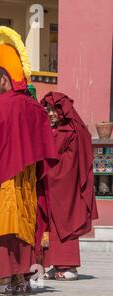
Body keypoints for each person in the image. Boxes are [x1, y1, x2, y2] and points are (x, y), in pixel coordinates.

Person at [0, 26, 58, 295]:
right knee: (22, 226)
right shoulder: (34, 107)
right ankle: (19, 278)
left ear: (4, 77)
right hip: (24, 186)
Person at [39, 92, 98, 280]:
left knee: (66, 222)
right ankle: (57, 265)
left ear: (61, 110)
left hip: (65, 186)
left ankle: (69, 267)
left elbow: (59, 157)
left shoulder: (69, 131)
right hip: (56, 184)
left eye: (53, 110)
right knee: (53, 224)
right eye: (47, 110)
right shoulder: (58, 129)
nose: (50, 114)